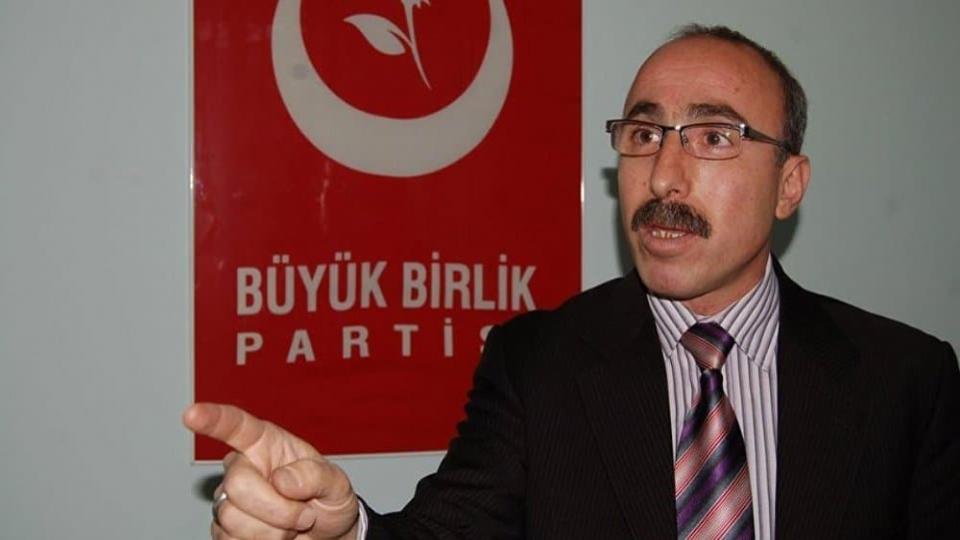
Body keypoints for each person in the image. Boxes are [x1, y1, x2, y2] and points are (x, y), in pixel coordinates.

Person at [183, 24, 960, 539]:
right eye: (645, 133)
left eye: (714, 137)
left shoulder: (906, 378)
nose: (664, 174)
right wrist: (341, 529)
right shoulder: (538, 362)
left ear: (790, 185)